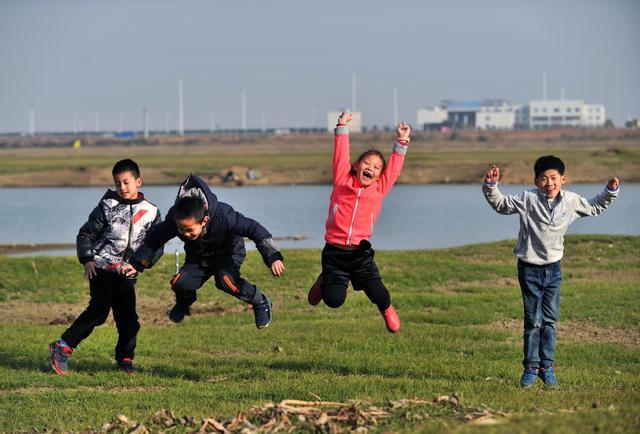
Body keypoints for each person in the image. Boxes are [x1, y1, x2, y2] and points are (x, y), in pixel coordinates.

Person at [482, 155, 620, 388]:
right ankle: (531, 368)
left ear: (563, 179)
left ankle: (547, 367)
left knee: (550, 321)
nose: (549, 183)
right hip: (529, 268)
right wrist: (492, 187)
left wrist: (610, 191)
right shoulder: (527, 199)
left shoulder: (571, 202)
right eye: (544, 179)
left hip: (554, 269)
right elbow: (501, 205)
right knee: (533, 320)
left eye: (554, 178)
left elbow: (595, 206)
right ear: (536, 181)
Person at [121, 174, 285, 328]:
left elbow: (254, 229)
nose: (185, 234)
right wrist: (135, 264)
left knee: (225, 281)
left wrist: (273, 257)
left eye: (189, 230)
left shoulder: (223, 215)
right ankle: (185, 302)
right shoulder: (175, 218)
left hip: (227, 254)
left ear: (204, 220)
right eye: (181, 229)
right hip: (198, 258)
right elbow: (154, 239)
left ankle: (260, 301)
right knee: (180, 283)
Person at [48, 159, 163, 376]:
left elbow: (156, 246)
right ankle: (62, 348)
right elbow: (86, 234)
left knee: (129, 320)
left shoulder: (152, 212)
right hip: (101, 267)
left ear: (138, 182)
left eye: (126, 182)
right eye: (117, 183)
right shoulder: (107, 206)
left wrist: (140, 264)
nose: (122, 187)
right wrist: (87, 258)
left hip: (127, 273)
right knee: (99, 312)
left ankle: (125, 359)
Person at [307, 112, 410, 333]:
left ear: (379, 175)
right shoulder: (342, 180)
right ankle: (325, 278)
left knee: (379, 293)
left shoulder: (379, 189)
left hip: (360, 253)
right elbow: (340, 155)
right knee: (334, 300)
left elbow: (394, 168)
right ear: (356, 165)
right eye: (367, 163)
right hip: (334, 253)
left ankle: (387, 310)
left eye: (376, 167)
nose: (370, 168)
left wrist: (402, 141)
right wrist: (342, 127)